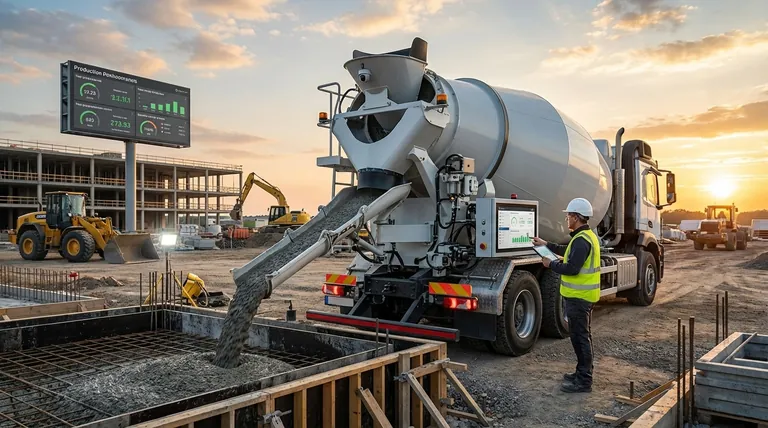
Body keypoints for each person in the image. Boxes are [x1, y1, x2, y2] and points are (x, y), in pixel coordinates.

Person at [532, 197, 601, 393]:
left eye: (569, 215)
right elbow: (567, 251)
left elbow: (571, 268)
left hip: (579, 299)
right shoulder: (583, 237)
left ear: (577, 217)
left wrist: (550, 264)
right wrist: (546, 244)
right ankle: (581, 373)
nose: (566, 219)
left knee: (580, 338)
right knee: (581, 337)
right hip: (581, 297)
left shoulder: (581, 240)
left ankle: (584, 380)